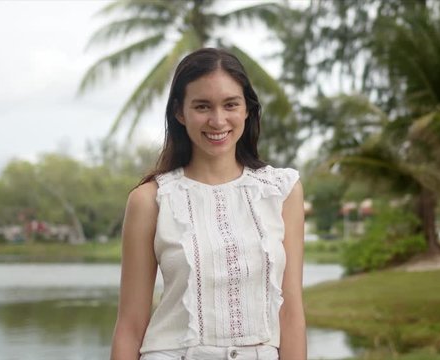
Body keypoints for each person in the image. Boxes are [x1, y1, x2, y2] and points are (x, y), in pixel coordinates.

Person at [110, 48, 306, 360]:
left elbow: (291, 311)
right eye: (202, 106)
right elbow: (131, 325)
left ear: (247, 110)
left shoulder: (281, 192)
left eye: (230, 104)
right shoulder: (150, 200)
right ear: (180, 112)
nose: (217, 120)